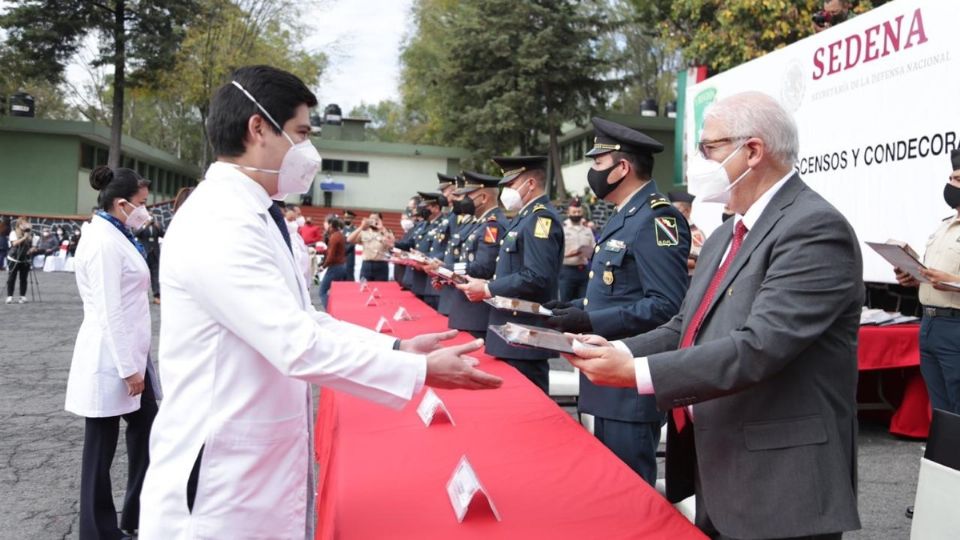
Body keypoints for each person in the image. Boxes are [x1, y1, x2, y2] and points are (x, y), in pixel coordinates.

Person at [139, 65, 501, 540]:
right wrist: (421, 373)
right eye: (301, 132)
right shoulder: (219, 220)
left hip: (254, 463)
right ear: (258, 128)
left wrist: (397, 351)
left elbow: (303, 319)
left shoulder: (260, 215)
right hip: (218, 475)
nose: (309, 150)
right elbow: (295, 343)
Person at [566, 92, 863, 539]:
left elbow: (760, 346)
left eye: (709, 149)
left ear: (753, 151)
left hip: (782, 485)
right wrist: (618, 348)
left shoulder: (814, 228)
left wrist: (636, 371)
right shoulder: (728, 233)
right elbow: (685, 326)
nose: (699, 163)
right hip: (720, 469)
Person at [546, 117, 690, 485]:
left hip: (629, 382)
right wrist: (580, 309)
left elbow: (667, 306)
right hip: (606, 377)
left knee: (629, 491)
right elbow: (618, 289)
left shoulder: (657, 219)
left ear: (622, 167)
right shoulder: (624, 216)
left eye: (598, 163)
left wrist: (593, 322)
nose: (592, 173)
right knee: (608, 487)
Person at [65, 165, 158, 539]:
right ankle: (96, 529)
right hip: (111, 357)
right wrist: (127, 368)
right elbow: (109, 310)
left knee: (149, 427)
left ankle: (137, 513)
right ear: (121, 204)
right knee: (100, 447)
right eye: (141, 203)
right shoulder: (104, 241)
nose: (145, 210)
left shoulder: (117, 234)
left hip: (133, 353)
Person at [457, 155, 564, 393]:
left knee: (528, 409)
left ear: (531, 185)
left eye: (511, 185)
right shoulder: (525, 219)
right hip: (512, 331)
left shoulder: (540, 219)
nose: (506, 191)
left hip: (525, 333)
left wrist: (487, 288)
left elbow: (536, 276)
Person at [895, 148, 960, 416]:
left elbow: (949, 278)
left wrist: (953, 282)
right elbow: (933, 275)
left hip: (956, 326)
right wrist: (915, 278)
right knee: (942, 410)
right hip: (930, 324)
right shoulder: (943, 226)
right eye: (951, 177)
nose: (950, 183)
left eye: (957, 178)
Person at [447, 171, 507, 338]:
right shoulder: (480, 223)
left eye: (468, 195)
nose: (464, 200)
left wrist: (447, 269)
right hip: (467, 308)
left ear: (483, 198)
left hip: (476, 310)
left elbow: (484, 267)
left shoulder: (492, 226)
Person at [411, 191, 447, 307]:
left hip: (436, 275)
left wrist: (425, 258)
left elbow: (445, 250)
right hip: (425, 276)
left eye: (426, 207)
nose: (423, 210)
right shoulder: (426, 224)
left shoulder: (444, 223)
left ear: (436, 208)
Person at [557, 198, 595, 302]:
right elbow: (556, 251)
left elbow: (594, 247)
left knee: (583, 303)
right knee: (565, 303)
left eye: (579, 211)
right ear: (568, 212)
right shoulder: (562, 228)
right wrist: (569, 254)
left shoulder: (587, 229)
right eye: (574, 212)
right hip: (566, 271)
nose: (577, 214)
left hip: (583, 271)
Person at [347, 211, 395, 281]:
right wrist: (361, 227)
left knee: (381, 289)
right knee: (364, 288)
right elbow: (349, 240)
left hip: (381, 264)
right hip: (367, 264)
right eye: (371, 219)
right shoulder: (364, 232)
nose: (373, 221)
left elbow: (392, 244)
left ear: (381, 220)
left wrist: (382, 228)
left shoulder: (386, 231)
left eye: (376, 219)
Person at [669, 191, 706, 274]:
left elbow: (696, 261)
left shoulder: (695, 233)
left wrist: (670, 260)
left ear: (688, 210)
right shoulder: (671, 229)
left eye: (677, 209)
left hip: (688, 279)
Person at [318, 214, 347, 309]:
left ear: (330, 224)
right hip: (340, 266)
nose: (324, 225)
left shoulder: (334, 237)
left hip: (336, 267)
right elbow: (330, 252)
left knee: (322, 291)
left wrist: (323, 266)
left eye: (325, 223)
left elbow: (331, 256)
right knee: (333, 291)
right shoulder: (338, 235)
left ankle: (329, 311)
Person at [135, 214, 164, 305]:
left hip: (155, 253)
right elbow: (136, 234)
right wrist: (145, 225)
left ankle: (156, 295)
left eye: (151, 217)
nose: (150, 218)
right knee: (144, 275)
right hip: (145, 254)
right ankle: (144, 296)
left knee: (155, 275)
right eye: (148, 217)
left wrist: (158, 227)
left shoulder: (155, 226)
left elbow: (163, 235)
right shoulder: (140, 225)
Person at [5, 217, 35, 304]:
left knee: (23, 278)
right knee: (11, 277)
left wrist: (32, 249)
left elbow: (34, 245)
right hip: (14, 258)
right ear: (19, 224)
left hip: (25, 259)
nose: (25, 225)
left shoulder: (31, 234)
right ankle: (9, 296)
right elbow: (14, 243)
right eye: (23, 224)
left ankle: (22, 296)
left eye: (26, 224)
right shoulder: (13, 232)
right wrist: (24, 237)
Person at [342, 209, 358, 281]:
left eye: (348, 218)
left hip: (349, 256)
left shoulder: (355, 229)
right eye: (345, 218)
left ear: (352, 219)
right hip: (340, 256)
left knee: (349, 275)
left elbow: (353, 243)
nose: (346, 219)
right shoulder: (341, 228)